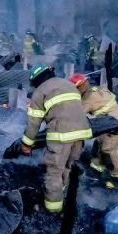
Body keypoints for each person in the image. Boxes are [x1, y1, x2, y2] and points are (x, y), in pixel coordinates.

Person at [21, 64, 92, 213]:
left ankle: (53, 210)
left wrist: (27, 144)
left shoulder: (40, 92)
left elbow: (34, 123)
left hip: (61, 135)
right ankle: (62, 194)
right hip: (82, 133)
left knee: (53, 172)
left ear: (36, 81)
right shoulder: (68, 84)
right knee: (67, 166)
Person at [70, 74, 118, 187]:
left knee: (109, 149)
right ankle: (97, 167)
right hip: (106, 123)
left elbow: (76, 115)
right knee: (99, 143)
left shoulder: (89, 100)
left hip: (114, 126)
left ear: (80, 87)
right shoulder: (94, 90)